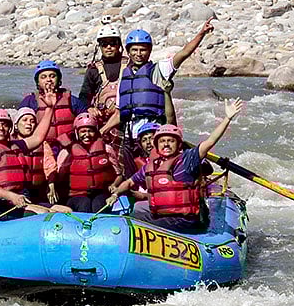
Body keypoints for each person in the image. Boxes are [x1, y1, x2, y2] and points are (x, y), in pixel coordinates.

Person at [108, 98, 243, 234]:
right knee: (136, 211)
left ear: (178, 144)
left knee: (135, 222)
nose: (166, 144)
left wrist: (227, 118)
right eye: (162, 141)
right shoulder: (151, 166)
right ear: (157, 145)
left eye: (171, 141)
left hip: (185, 220)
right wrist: (116, 193)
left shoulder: (188, 159)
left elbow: (210, 141)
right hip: (164, 215)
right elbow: (130, 182)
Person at [100, 19, 215, 145]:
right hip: (131, 136)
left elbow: (184, 53)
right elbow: (118, 114)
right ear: (128, 52)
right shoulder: (124, 76)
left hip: (154, 134)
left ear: (149, 51)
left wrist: (201, 33)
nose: (138, 54)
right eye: (134, 50)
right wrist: (102, 131)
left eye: (143, 50)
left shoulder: (160, 69)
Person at [0, 102, 72, 221]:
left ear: (10, 128)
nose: (0, 128)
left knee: (66, 210)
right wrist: (11, 196)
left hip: (16, 202)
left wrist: (50, 109)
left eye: (4, 125)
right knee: (44, 213)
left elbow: (37, 138)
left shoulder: (14, 147)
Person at [50, 113, 121, 213]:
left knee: (98, 204)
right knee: (84, 204)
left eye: (90, 131)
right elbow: (60, 177)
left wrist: (114, 185)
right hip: (76, 195)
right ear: (76, 133)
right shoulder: (67, 153)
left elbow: (119, 175)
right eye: (83, 131)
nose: (87, 135)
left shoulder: (106, 149)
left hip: (101, 192)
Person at [19, 60, 87, 142]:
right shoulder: (30, 101)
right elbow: (19, 126)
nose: (48, 80)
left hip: (68, 145)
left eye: (52, 76)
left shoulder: (72, 100)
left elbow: (86, 121)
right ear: (38, 82)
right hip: (41, 145)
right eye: (43, 77)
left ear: (58, 79)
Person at [79, 25, 128, 124]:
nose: (109, 47)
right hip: (102, 118)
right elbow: (84, 96)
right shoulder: (93, 70)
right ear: (100, 46)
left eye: (113, 43)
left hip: (125, 116)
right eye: (104, 44)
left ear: (119, 45)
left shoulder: (129, 66)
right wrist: (89, 108)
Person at [12, 107, 49, 204]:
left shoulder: (43, 144)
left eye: (32, 121)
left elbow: (49, 164)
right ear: (15, 125)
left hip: (39, 190)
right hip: (19, 192)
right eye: (24, 120)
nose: (29, 123)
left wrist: (51, 182)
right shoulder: (10, 145)